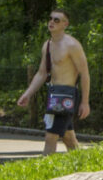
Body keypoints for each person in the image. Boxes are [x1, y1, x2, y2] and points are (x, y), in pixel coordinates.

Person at [18, 8, 91, 154]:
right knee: (68, 136)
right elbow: (41, 73)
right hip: (54, 94)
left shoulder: (72, 45)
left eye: (56, 20)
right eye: (50, 18)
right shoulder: (48, 45)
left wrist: (84, 102)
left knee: (50, 137)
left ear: (65, 24)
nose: (52, 22)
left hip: (67, 95)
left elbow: (84, 74)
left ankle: (44, 173)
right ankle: (83, 163)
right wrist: (27, 94)